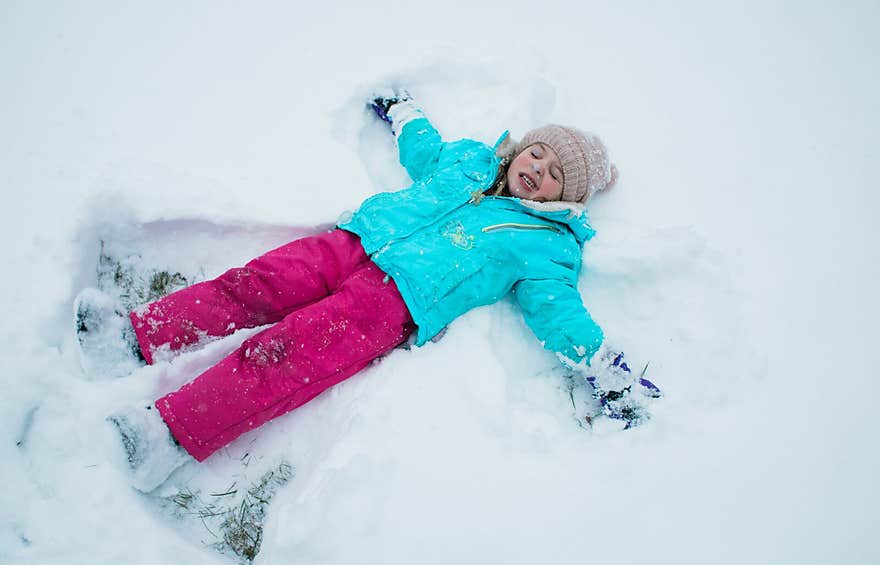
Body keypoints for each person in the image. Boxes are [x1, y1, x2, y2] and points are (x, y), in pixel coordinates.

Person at [76, 89, 661, 492]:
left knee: (282, 356)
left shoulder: (548, 245)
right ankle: (132, 338)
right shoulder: (470, 160)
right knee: (250, 285)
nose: (539, 168)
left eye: (557, 174)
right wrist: (405, 112)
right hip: (354, 240)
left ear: (565, 199)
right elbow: (424, 152)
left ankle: (167, 434)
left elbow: (558, 311)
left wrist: (605, 370)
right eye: (539, 152)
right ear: (523, 147)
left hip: (392, 303)